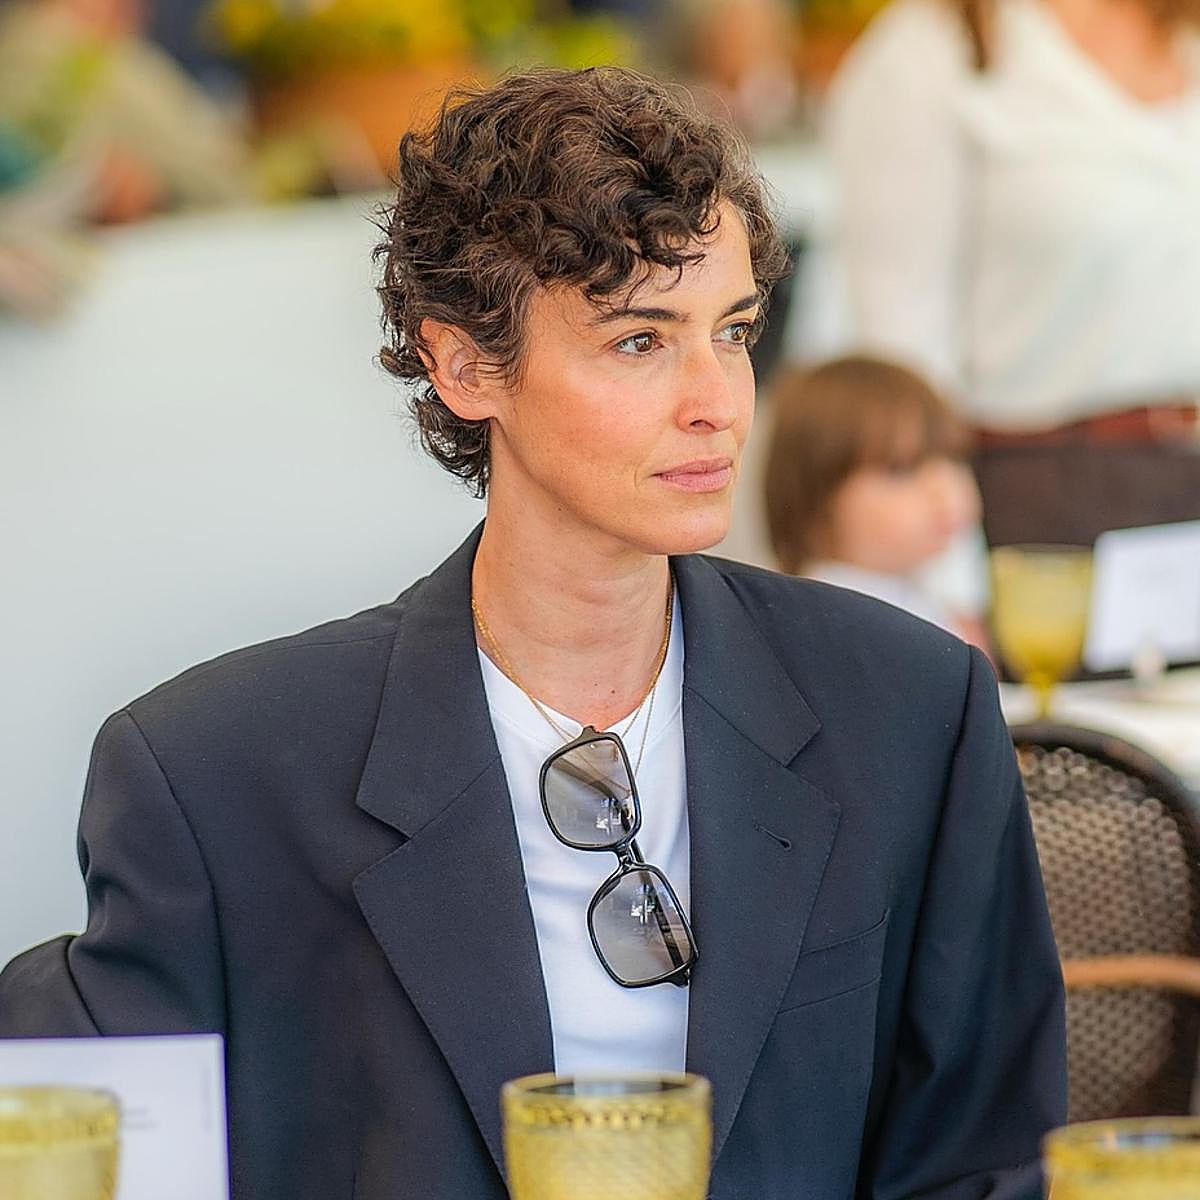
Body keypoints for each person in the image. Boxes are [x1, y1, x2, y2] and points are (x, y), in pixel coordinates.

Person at [0, 67, 1066, 1200]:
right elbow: (81, 1138)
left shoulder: (907, 707)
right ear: (464, 365)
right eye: (638, 343)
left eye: (735, 331)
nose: (718, 398)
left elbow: (985, 1161)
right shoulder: (219, 774)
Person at [824, 0, 1200, 546]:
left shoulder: (1182, 31)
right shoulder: (938, 49)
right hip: (1045, 495)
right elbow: (903, 344)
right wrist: (946, 572)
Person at [763, 355, 985, 642]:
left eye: (954, 460)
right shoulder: (830, 616)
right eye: (900, 469)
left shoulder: (909, 597)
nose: (945, 488)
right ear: (819, 499)